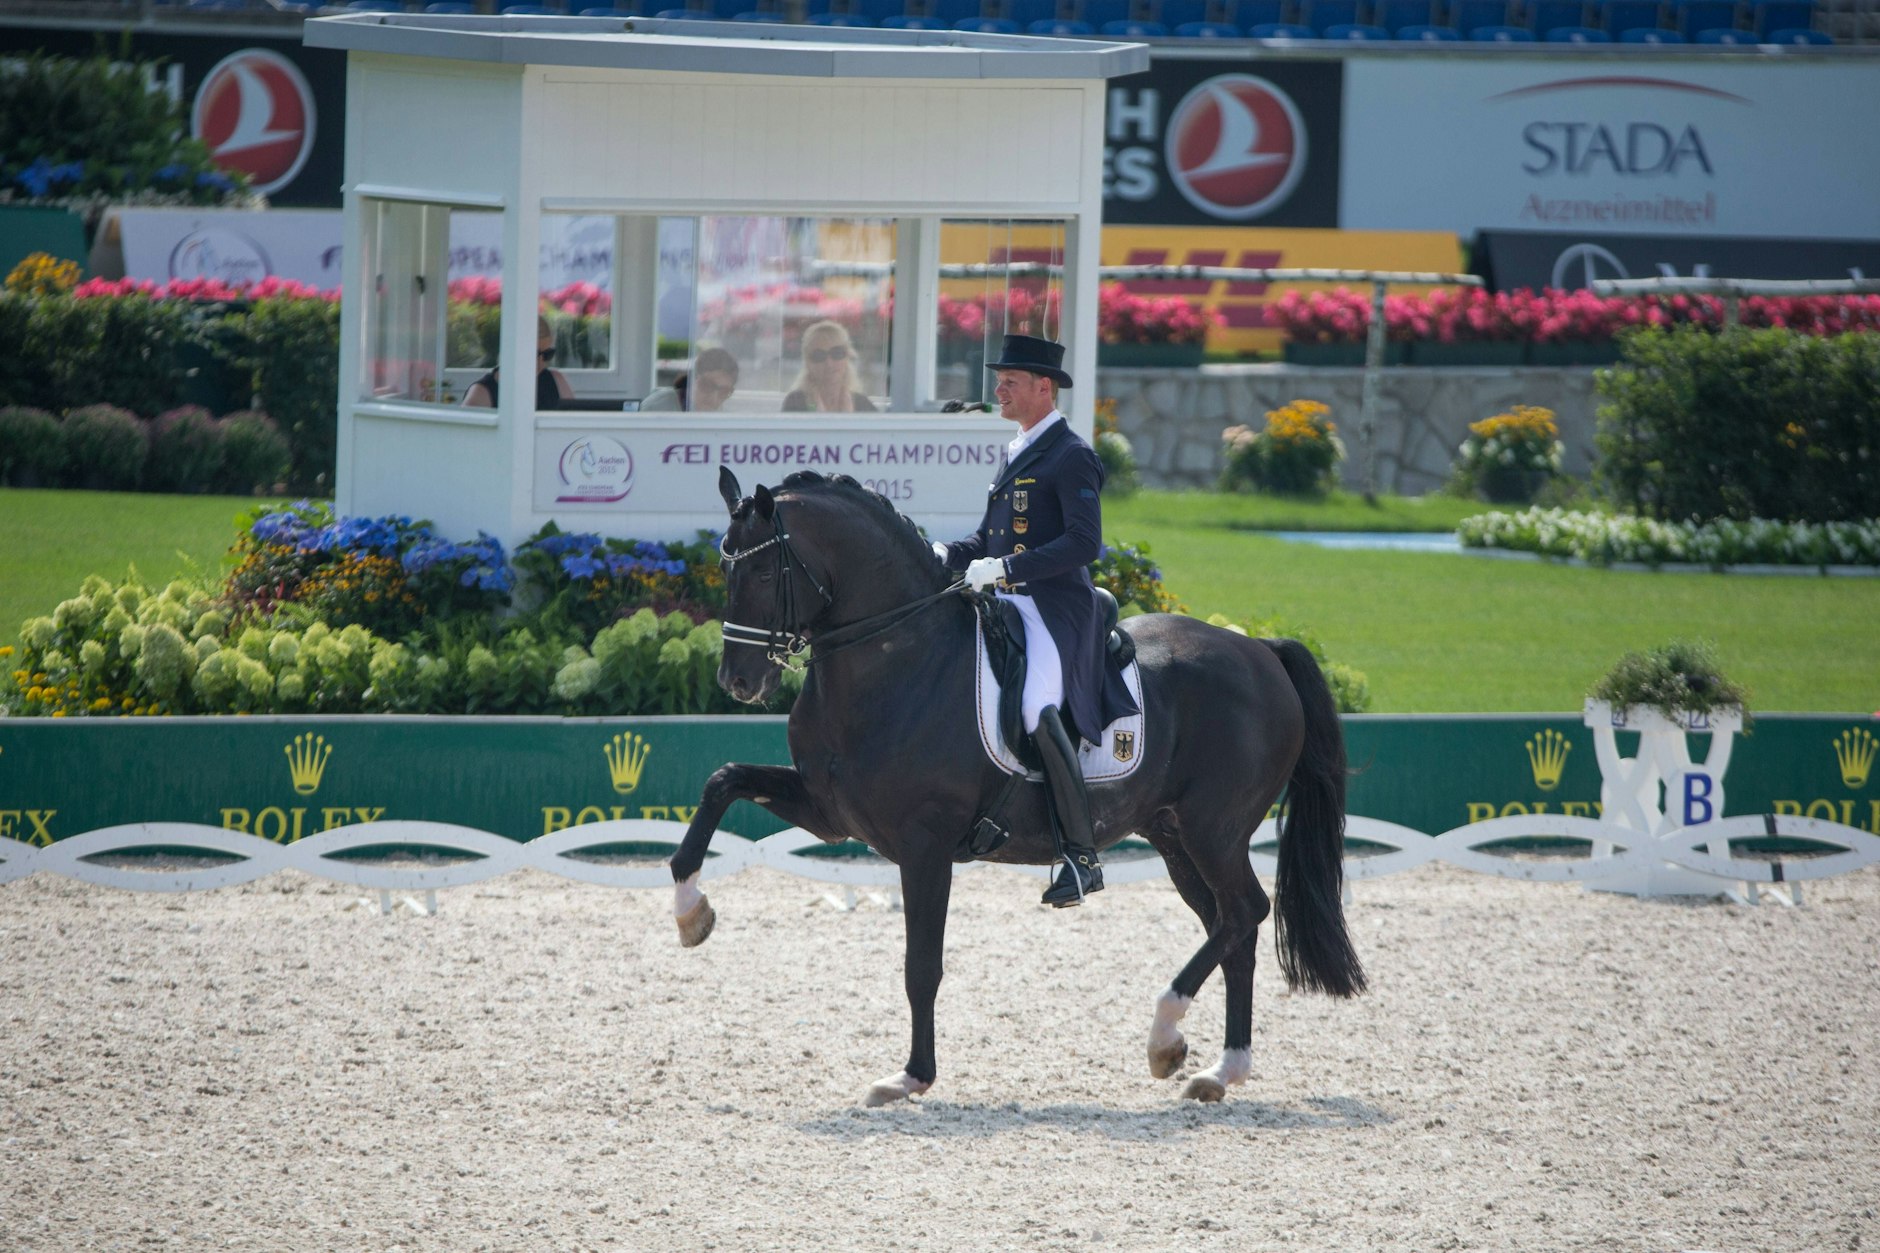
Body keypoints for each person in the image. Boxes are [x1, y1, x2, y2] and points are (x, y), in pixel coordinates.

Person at [934, 333, 1138, 908]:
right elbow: (987, 537)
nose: (998, 388)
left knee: (1035, 707)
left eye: (1010, 381)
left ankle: (1080, 856)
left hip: (1055, 609)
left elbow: (1083, 542)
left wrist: (1006, 567)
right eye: (999, 379)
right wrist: (945, 553)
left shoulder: (1072, 454)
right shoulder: (1016, 449)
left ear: (1043, 388)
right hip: (1007, 600)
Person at [464, 315, 573, 410]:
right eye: (533, 354)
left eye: (547, 354)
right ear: (512, 350)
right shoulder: (482, 393)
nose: (540, 362)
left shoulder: (556, 381)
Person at [782, 320, 877, 413]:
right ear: (808, 363)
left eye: (837, 353)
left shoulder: (862, 405)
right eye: (819, 355)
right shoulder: (795, 403)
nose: (829, 363)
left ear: (848, 358)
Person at [640, 346, 739, 412]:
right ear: (692, 380)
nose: (713, 397)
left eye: (724, 391)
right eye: (707, 385)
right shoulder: (658, 407)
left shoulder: (728, 419)